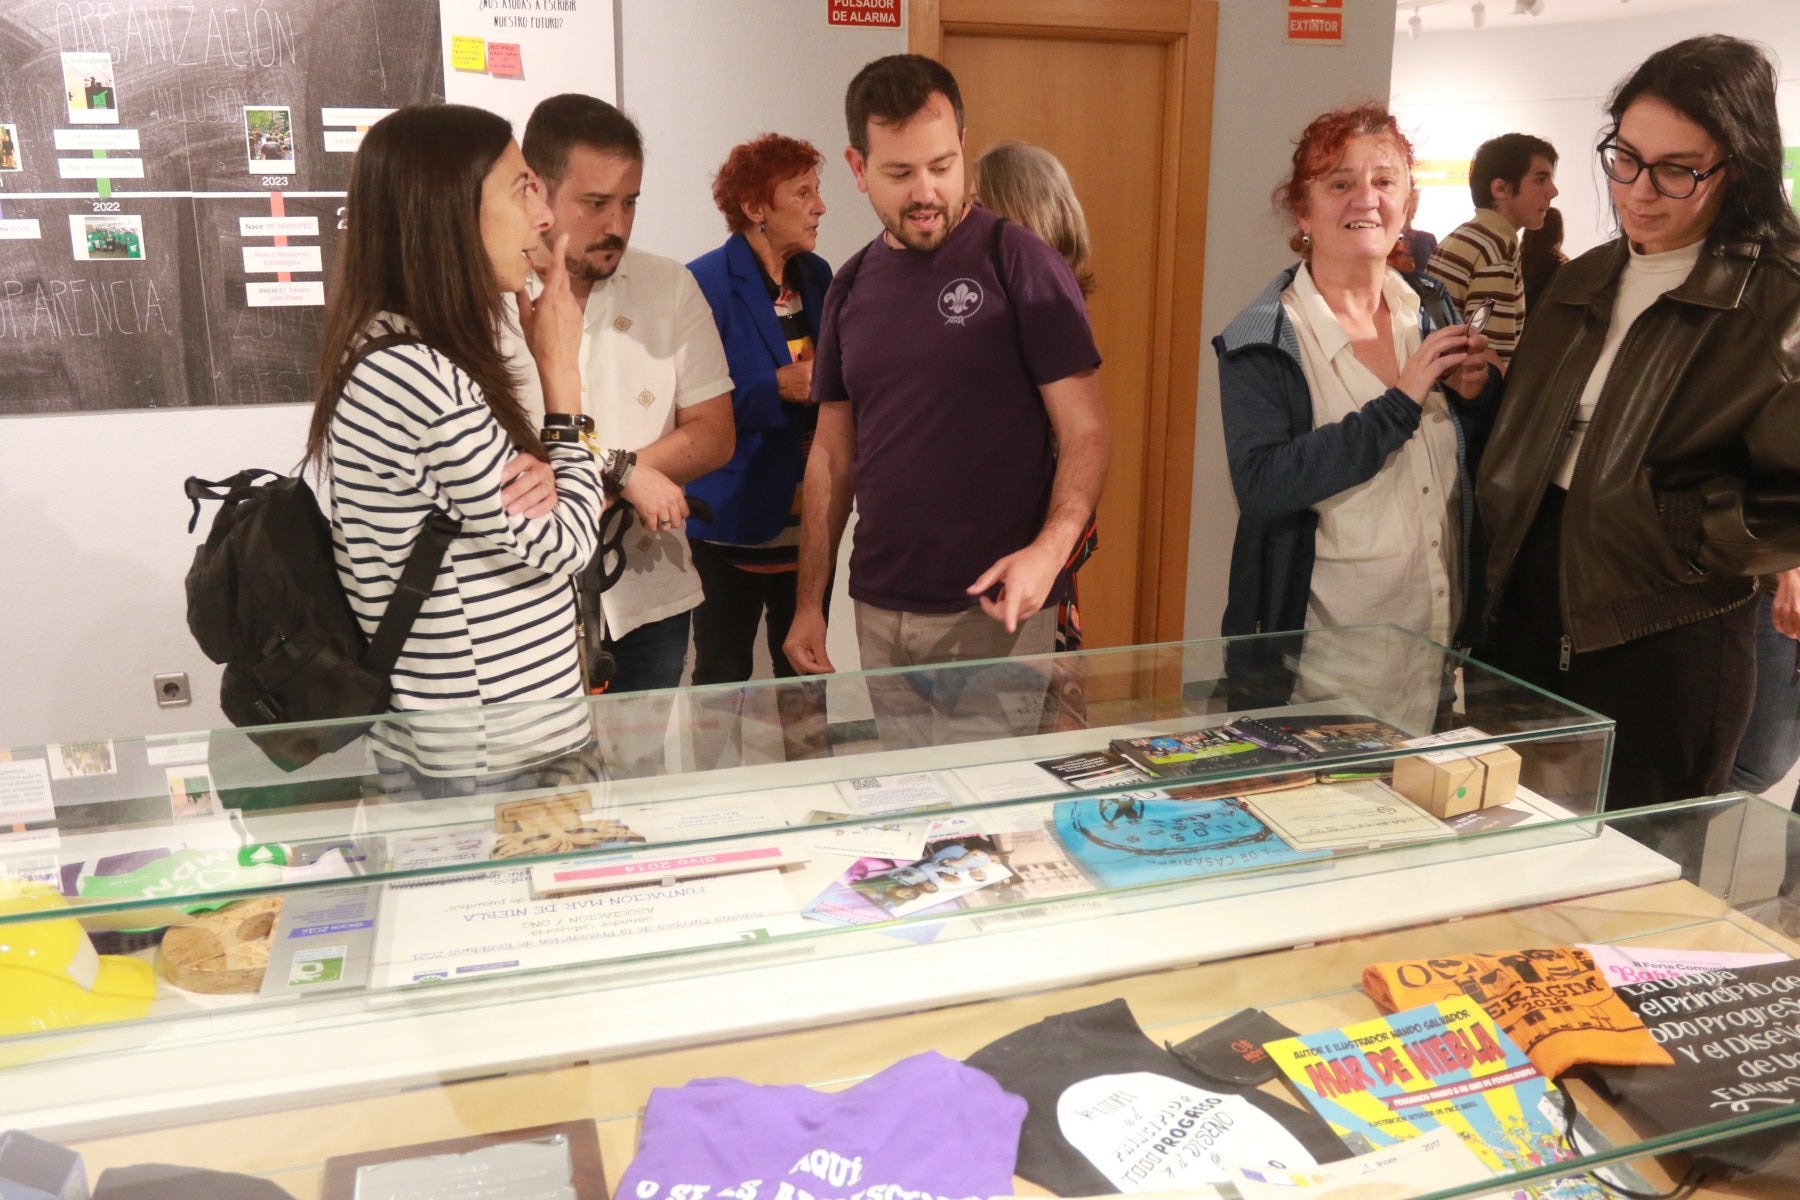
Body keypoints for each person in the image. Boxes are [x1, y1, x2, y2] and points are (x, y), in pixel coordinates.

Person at [1477, 35, 1800, 809]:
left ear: (1741, 166)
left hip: (1664, 624)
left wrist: (1685, 534)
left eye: (1677, 170)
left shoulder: (1780, 298)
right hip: (1525, 604)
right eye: (1623, 158)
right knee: (1503, 850)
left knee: (1639, 877)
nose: (1639, 192)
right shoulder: (1583, 279)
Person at [783, 55, 1108, 742]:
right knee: (915, 815)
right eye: (900, 173)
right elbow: (833, 457)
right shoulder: (848, 287)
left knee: (991, 824)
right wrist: (808, 601)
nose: (926, 191)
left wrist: (1050, 552)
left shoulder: (1019, 263)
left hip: (994, 614)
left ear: (963, 144)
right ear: (858, 166)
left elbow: (1087, 432)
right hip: (879, 606)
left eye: (942, 164)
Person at [304, 103, 603, 785]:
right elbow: (564, 543)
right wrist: (562, 382)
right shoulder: (412, 373)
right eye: (522, 187)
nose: (545, 216)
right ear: (445, 208)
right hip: (488, 759)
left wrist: (553, 475)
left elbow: (539, 519)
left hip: (499, 743)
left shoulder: (407, 352)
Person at [1216, 104, 1496, 659]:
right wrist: (1399, 404)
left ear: (1406, 204)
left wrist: (1480, 395)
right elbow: (1264, 486)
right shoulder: (1264, 337)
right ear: (1302, 210)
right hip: (1321, 673)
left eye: (1385, 181)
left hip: (1437, 653)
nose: (1366, 199)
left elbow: (1472, 467)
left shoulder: (1434, 309)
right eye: (1340, 182)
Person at [512, 93, 736, 693]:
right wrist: (619, 474)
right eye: (595, 203)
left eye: (630, 202)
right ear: (537, 189)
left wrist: (623, 472)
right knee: (545, 787)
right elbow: (495, 456)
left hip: (650, 589)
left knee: (640, 783)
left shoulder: (670, 284)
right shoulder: (493, 291)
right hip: (523, 600)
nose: (617, 225)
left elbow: (715, 433)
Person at [685, 135, 832, 685]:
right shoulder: (703, 284)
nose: (819, 207)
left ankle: (812, 775)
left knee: (805, 676)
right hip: (733, 523)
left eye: (818, 192)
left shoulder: (818, 277)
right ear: (754, 209)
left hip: (810, 524)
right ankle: (718, 779)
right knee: (722, 682)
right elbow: (687, 404)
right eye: (801, 194)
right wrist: (775, 386)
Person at [1427, 133, 1558, 367]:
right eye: (1540, 179)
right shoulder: (1495, 249)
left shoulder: (1467, 235)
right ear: (1501, 189)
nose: (1553, 191)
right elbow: (1490, 360)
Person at [1518, 204, 1566, 310]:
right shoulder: (1561, 266)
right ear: (1557, 233)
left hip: (1516, 322)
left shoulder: (1515, 259)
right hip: (1546, 323)